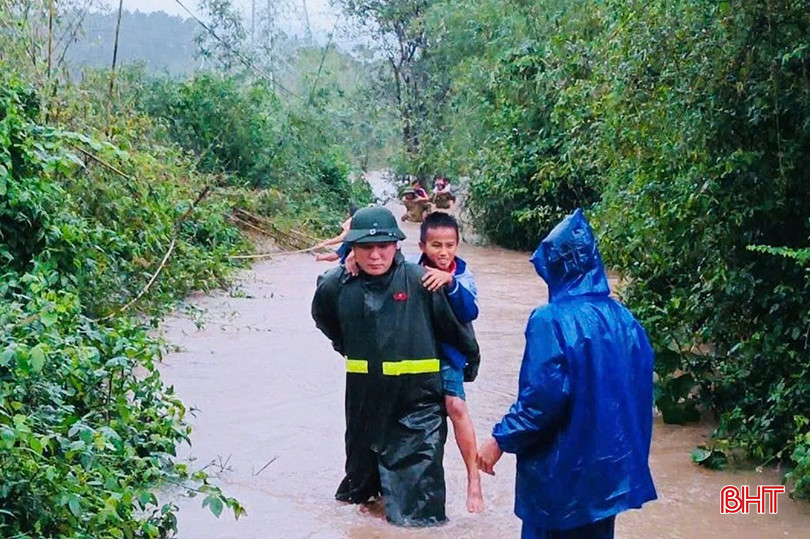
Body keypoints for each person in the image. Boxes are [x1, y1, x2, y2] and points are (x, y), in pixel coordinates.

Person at [477, 208, 657, 539]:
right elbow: (640, 392)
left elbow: (541, 402)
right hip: (608, 478)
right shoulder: (625, 319)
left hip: (560, 481)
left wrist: (499, 440)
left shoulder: (550, 320)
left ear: (555, 267)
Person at [311, 206, 480, 527]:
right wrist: (346, 345)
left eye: (383, 246)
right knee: (360, 501)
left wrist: (466, 369)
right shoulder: (337, 286)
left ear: (397, 247)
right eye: (366, 247)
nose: (375, 255)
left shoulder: (422, 282)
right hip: (365, 407)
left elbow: (457, 330)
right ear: (353, 249)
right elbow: (325, 318)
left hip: (419, 409)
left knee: (420, 515)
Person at [416, 212, 484, 513]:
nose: (443, 253)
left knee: (456, 406)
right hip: (415, 353)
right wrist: (349, 259)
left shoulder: (464, 276)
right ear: (422, 246)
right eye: (436, 245)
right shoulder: (408, 270)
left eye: (449, 245)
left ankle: (474, 480)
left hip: (449, 353)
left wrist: (450, 282)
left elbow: (470, 311)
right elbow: (377, 268)